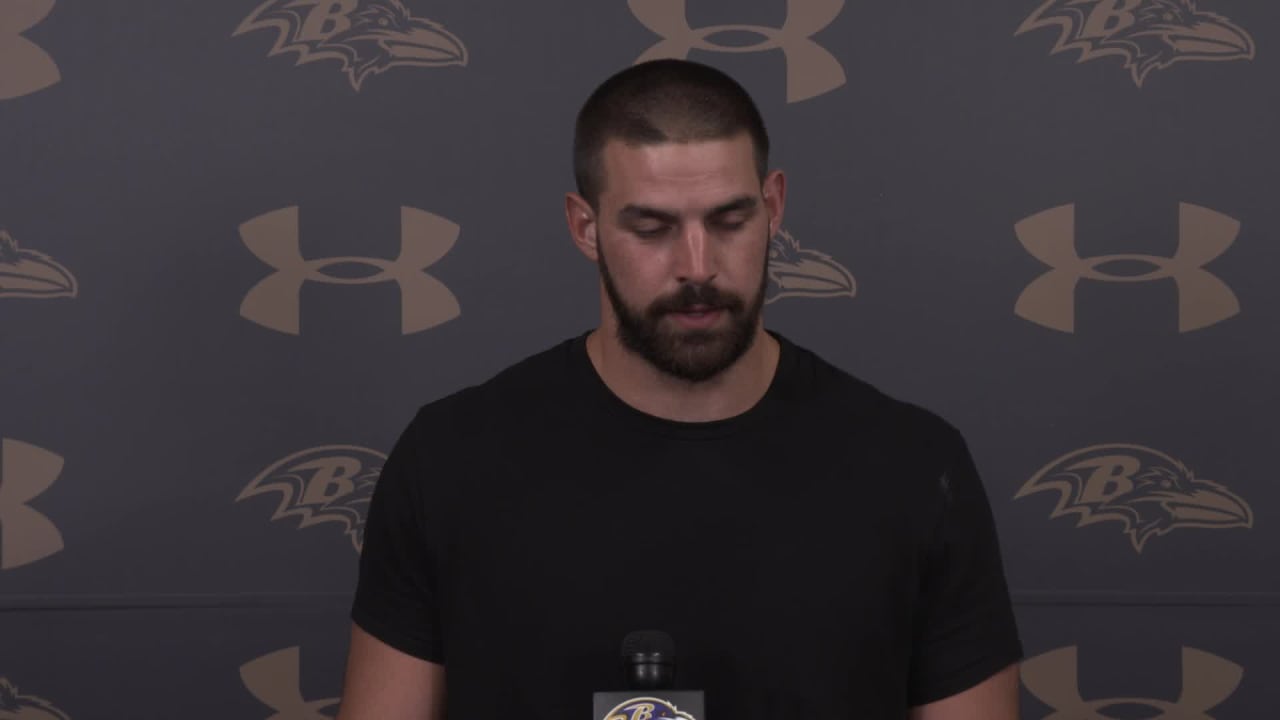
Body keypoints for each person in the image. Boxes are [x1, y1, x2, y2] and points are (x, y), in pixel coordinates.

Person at [335, 58, 1023, 719]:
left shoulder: (913, 466)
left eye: (729, 220)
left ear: (773, 206)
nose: (698, 267)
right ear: (585, 227)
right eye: (652, 226)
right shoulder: (452, 459)